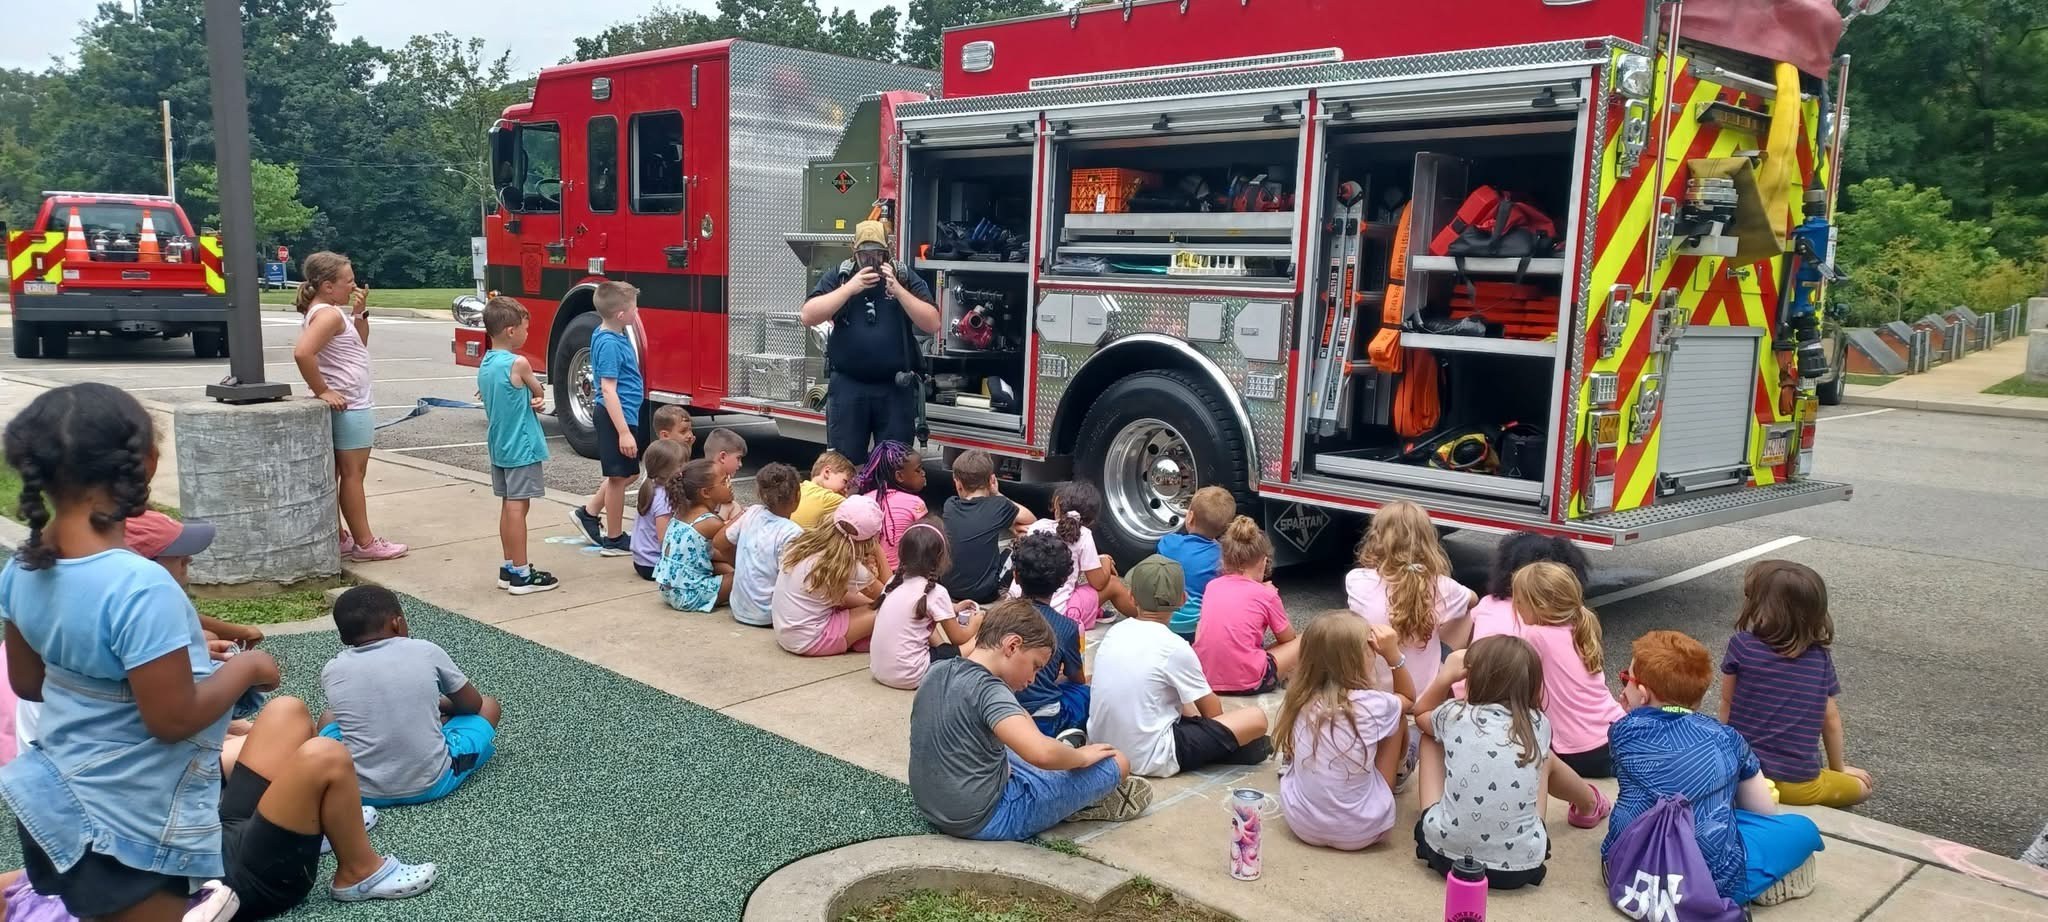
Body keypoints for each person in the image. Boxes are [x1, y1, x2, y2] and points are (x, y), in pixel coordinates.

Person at [0, 382, 282, 921]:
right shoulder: (141, 584)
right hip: (126, 815)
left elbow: (28, 683)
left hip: (51, 801)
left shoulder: (23, 568)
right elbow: (172, 718)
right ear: (146, 463)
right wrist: (248, 667)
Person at [1607, 630, 1824, 907]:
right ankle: (1761, 880)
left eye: (1626, 678)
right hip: (1711, 881)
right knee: (1801, 827)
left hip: (1627, 870)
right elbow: (1763, 810)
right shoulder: (1728, 738)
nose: (1622, 686)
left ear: (1642, 693)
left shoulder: (1621, 732)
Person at [907, 599, 1153, 842]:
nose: (1034, 679)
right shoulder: (990, 691)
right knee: (1117, 762)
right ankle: (1076, 799)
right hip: (987, 817)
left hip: (932, 806)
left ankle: (1063, 769)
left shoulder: (939, 669)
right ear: (1012, 646)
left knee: (1021, 748)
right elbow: (1041, 754)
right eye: (1036, 666)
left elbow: (1017, 719)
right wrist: (1082, 757)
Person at [219, 695, 437, 911]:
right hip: (230, 881)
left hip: (217, 832)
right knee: (325, 756)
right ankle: (358, 872)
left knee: (287, 712)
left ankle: (322, 824)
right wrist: (247, 670)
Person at [1086, 555, 1271, 778]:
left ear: (1132, 598)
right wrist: (1216, 735)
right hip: (1149, 756)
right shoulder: (1175, 647)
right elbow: (1212, 712)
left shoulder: (1115, 632)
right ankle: (1226, 751)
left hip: (1104, 746)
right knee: (1255, 719)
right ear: (1183, 600)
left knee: (1181, 701)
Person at [318, 586, 500, 807]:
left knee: (328, 717)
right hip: (432, 782)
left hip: (359, 790)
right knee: (489, 706)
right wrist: (438, 705)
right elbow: (473, 705)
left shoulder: (333, 668)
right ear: (397, 623)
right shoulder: (425, 650)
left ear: (344, 637)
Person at [1469, 561, 1623, 816]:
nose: (1514, 607)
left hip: (1578, 752)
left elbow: (1506, 677)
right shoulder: (1582, 626)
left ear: (1538, 606)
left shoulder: (1535, 636)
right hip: (1615, 737)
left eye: (1518, 601)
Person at [1719, 560, 1872, 808]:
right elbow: (1830, 720)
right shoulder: (1819, 658)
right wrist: (1839, 768)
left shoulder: (1742, 646)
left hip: (1744, 778)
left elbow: (1727, 703)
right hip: (1801, 787)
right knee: (1864, 788)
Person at [1412, 636, 1553, 889]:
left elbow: (1420, 712)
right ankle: (1542, 824)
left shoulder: (1454, 714)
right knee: (1543, 760)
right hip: (1521, 865)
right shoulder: (1539, 724)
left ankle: (1435, 816)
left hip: (1447, 856)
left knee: (1430, 738)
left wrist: (1445, 677)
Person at [291, 251, 405, 562]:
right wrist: (323, 390)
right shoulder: (327, 315)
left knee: (342, 474)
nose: (353, 286)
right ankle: (366, 544)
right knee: (353, 474)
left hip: (349, 402)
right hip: (350, 405)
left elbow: (357, 344)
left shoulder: (328, 313)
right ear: (328, 285)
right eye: (348, 282)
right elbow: (303, 353)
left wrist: (360, 313)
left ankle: (340, 535)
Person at [800, 220, 940, 466]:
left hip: (894, 388)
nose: (871, 261)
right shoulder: (841, 276)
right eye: (865, 255)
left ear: (888, 251)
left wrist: (898, 290)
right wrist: (849, 289)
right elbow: (808, 315)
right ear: (854, 251)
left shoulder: (903, 276)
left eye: (878, 254)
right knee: (844, 467)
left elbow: (932, 323)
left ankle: (889, 504)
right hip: (848, 387)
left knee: (894, 466)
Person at [1276, 616, 1413, 850]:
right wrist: (1394, 657)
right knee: (1397, 717)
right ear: (1358, 660)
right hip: (1361, 830)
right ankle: (1396, 778)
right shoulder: (1375, 704)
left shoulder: (1300, 696)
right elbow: (1409, 699)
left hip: (1301, 824)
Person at [1345, 499, 1475, 695]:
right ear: (1429, 540)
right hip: (1425, 695)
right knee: (1466, 613)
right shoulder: (1443, 585)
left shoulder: (1356, 579)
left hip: (1375, 693)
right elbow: (1473, 599)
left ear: (1377, 538)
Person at [476, 297, 559, 595]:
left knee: (507, 504)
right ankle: (523, 574)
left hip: (499, 443)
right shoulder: (518, 363)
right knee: (518, 507)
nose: (527, 334)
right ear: (511, 331)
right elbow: (537, 390)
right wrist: (536, 394)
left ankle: (509, 565)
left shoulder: (486, 362)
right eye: (525, 328)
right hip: (521, 445)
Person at [570, 281, 647, 556]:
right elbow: (607, 389)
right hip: (617, 416)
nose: (637, 312)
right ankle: (614, 539)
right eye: (634, 308)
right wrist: (624, 432)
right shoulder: (609, 343)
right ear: (621, 315)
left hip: (623, 415)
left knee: (629, 473)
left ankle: (589, 513)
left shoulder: (611, 335)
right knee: (619, 477)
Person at [1191, 516, 1299, 695]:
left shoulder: (1212, 586)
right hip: (1248, 682)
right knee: (1305, 640)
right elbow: (1288, 639)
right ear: (1264, 561)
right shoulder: (1266, 594)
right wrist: (1271, 594)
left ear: (1225, 560)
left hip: (1206, 678)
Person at [870, 520, 980, 690]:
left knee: (926, 629)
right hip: (912, 675)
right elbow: (959, 638)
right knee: (976, 641)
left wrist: (953, 609)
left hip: (879, 671)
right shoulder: (936, 592)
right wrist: (977, 621)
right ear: (940, 557)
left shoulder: (893, 582)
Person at [1014, 482, 1135, 631]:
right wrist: (1104, 562)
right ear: (1091, 518)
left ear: (1057, 504)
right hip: (1059, 613)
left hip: (1021, 606)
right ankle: (1149, 617)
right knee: (1114, 584)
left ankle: (1093, 611)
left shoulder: (1039, 525)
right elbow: (1098, 583)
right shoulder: (1084, 535)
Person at [774, 494, 886, 656]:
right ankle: (859, 638)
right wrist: (878, 551)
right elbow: (889, 595)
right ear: (870, 539)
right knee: (887, 611)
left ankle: (858, 637)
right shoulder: (850, 567)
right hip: (811, 639)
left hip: (787, 632)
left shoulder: (805, 543)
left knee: (866, 603)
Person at [1011, 532, 1089, 738]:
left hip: (1003, 710)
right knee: (1085, 693)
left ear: (1016, 576)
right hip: (1044, 717)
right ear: (1063, 581)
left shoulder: (998, 617)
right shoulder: (1066, 627)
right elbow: (1077, 678)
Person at [942, 450, 1034, 604]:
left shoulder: (950, 505)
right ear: (992, 479)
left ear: (958, 484)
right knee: (1025, 536)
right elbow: (1030, 518)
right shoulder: (998, 505)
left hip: (950, 589)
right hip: (985, 594)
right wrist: (997, 493)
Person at [720, 463, 803, 629]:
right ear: (797, 497)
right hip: (768, 615)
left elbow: (719, 542)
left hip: (739, 609)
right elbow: (795, 580)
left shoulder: (752, 512)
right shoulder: (793, 532)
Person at [654, 459, 735, 612]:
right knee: (746, 575)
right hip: (690, 595)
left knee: (721, 565)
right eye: (724, 482)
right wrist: (744, 515)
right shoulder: (710, 522)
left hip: (669, 591)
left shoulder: (681, 511)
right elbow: (737, 555)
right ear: (705, 492)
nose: (729, 485)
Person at [1158, 486, 1234, 644]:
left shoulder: (1169, 543)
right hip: (1198, 628)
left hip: (1166, 623)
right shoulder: (1222, 556)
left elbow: (1163, 545)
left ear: (1190, 517)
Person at [856, 441, 930, 570]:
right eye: (918, 470)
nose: (923, 473)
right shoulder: (916, 504)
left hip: (870, 570)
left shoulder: (865, 499)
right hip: (901, 573)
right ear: (900, 476)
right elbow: (925, 544)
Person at [630, 439, 689, 582]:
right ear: (668, 471)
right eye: (681, 465)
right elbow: (664, 538)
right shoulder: (664, 499)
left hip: (641, 560)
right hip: (653, 564)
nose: (684, 468)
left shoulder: (651, 487)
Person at [792, 450, 855, 530]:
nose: (846, 490)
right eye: (845, 482)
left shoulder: (799, 488)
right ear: (827, 472)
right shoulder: (827, 497)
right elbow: (862, 510)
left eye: (848, 487)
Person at [701, 428, 749, 525]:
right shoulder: (704, 480)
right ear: (722, 457)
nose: (740, 464)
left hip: (714, 522)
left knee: (734, 506)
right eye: (738, 458)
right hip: (707, 528)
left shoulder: (723, 477)